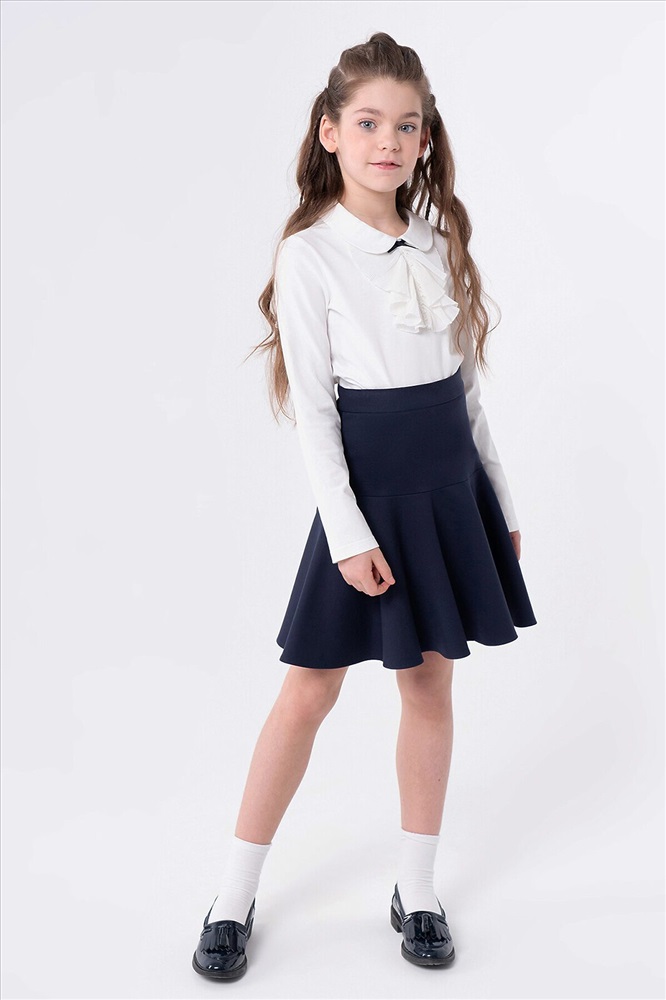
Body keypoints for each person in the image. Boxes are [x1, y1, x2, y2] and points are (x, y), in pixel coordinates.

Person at [192, 31, 537, 981]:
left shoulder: (440, 238)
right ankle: (232, 896)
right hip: (370, 496)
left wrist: (499, 502)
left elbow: (468, 394)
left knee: (429, 685)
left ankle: (416, 889)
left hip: (450, 487)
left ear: (426, 139)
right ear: (331, 131)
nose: (389, 141)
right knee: (309, 689)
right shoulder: (311, 254)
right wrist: (347, 533)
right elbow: (313, 412)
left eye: (407, 125)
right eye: (370, 122)